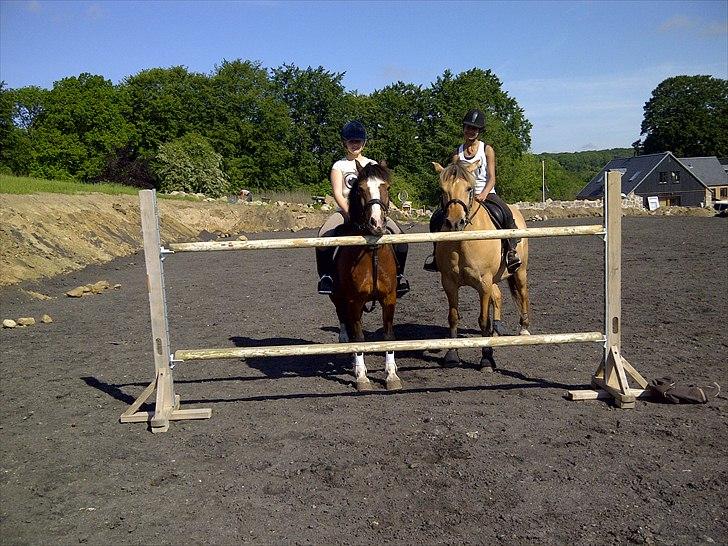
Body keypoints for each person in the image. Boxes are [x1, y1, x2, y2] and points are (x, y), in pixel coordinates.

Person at [316, 121, 410, 296]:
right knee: (323, 238)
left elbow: (380, 191)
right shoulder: (339, 166)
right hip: (346, 210)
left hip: (372, 209)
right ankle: (326, 276)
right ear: (345, 143)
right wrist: (349, 212)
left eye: (358, 141)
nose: (355, 145)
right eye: (351, 141)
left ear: (364, 143)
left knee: (401, 240)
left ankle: (399, 276)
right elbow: (337, 193)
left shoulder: (372, 163)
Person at [424, 109, 522, 273]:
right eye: (468, 127)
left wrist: (483, 194)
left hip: (486, 192)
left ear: (479, 131)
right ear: (464, 128)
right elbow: (453, 177)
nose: (470, 131)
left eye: (474, 129)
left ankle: (511, 251)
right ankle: (436, 254)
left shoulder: (487, 150)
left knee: (504, 213)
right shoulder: (458, 153)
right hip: (461, 196)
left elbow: (491, 177)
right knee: (437, 218)